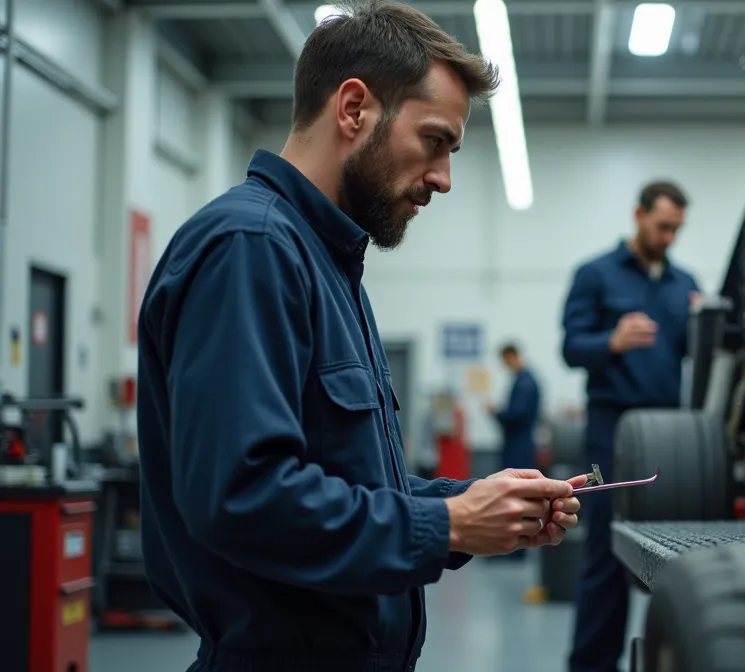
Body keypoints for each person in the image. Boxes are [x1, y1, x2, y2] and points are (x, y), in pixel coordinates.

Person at [134, 3, 586, 670]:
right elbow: (243, 497)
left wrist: (471, 503)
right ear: (353, 110)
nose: (443, 178)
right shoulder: (251, 247)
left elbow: (348, 482)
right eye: (435, 141)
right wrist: (449, 525)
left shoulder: (328, 266)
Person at [560, 180, 700, 672]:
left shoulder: (686, 286)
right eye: (662, 226)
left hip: (670, 434)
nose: (668, 237)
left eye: (676, 230)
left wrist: (708, 327)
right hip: (609, 431)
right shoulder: (595, 275)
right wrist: (612, 341)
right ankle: (592, 665)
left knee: (676, 552)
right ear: (638, 215)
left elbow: (695, 355)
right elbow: (571, 348)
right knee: (604, 552)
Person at [485, 342, 543, 561]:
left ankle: (515, 548)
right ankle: (511, 544)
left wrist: (497, 413)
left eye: (506, 360)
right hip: (518, 443)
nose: (505, 365)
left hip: (519, 445)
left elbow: (517, 415)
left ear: (513, 356)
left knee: (516, 493)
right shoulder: (524, 380)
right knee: (515, 493)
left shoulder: (525, 383)